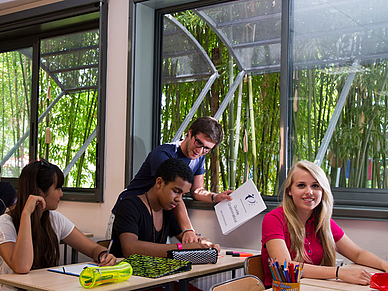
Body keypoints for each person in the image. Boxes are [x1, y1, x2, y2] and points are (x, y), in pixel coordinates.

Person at [261, 160, 388, 287]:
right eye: (301, 185)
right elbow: (286, 266)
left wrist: (384, 265)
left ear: (322, 191)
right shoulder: (273, 219)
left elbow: (357, 254)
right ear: (290, 191)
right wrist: (339, 272)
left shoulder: (322, 221)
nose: (309, 191)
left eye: (315, 186)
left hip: (312, 287)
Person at [109, 116, 232, 243]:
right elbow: (173, 193)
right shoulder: (163, 154)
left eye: (207, 149)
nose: (200, 151)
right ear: (190, 133)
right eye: (199, 143)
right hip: (130, 213)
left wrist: (215, 197)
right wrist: (188, 230)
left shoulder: (199, 157)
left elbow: (197, 190)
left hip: (157, 216)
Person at [0, 159, 116, 288]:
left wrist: (102, 256)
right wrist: (26, 214)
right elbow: (22, 267)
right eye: (57, 188)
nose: (61, 193)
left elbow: (93, 248)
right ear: (39, 192)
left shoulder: (54, 218)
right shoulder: (5, 224)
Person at [110, 158, 220, 258]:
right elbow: (130, 249)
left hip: (153, 276)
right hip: (127, 276)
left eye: (183, 195)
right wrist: (181, 248)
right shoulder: (129, 205)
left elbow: (188, 241)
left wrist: (204, 244)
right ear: (159, 183)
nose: (179, 199)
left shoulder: (168, 210)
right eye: (176, 192)